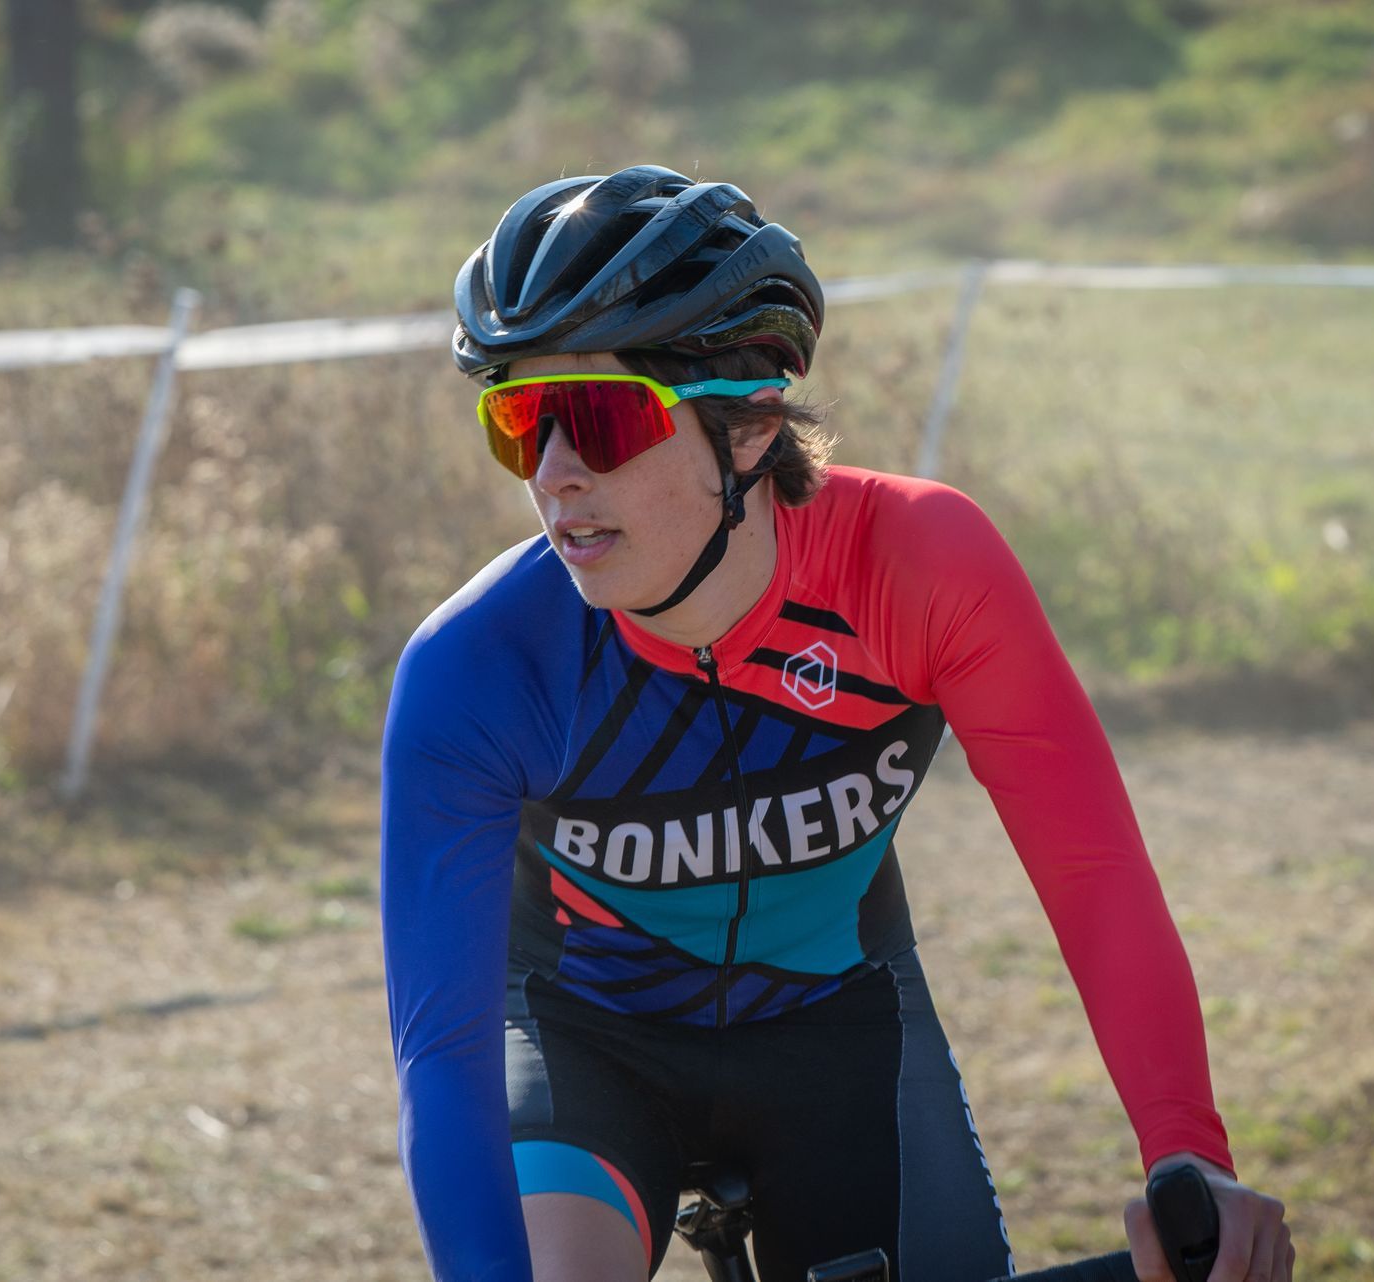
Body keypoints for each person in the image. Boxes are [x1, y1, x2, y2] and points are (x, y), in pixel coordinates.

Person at [381, 164, 1293, 1282]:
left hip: (837, 1023)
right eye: (521, 422)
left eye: (601, 418)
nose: (556, 475)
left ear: (752, 427)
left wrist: (1190, 1155)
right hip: (585, 1035)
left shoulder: (920, 567)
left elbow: (1093, 875)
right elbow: (445, 1048)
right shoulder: (479, 665)